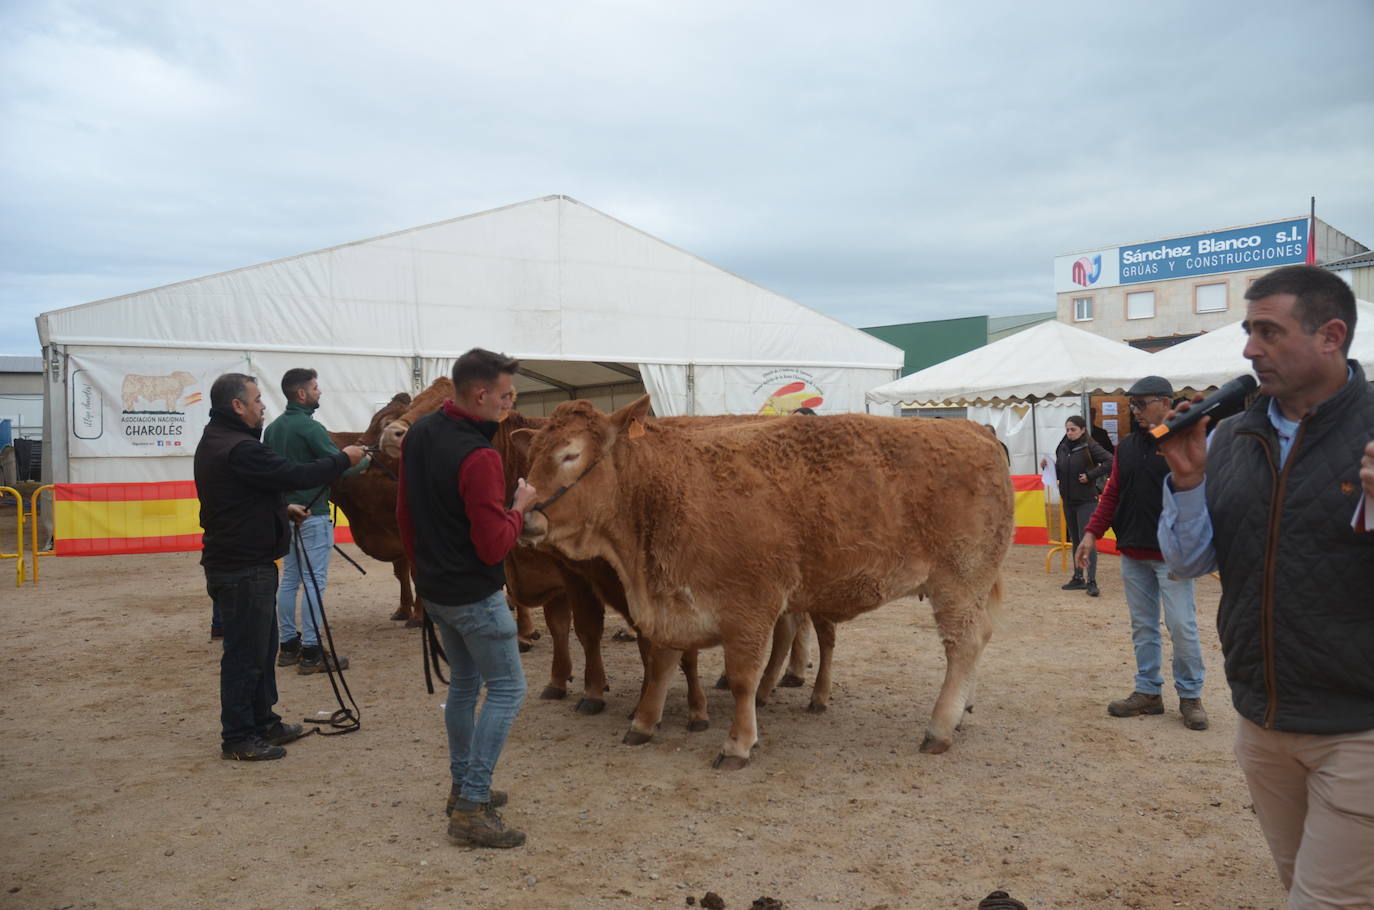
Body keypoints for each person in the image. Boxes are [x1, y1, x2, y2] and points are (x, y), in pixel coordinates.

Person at [1156, 265, 1374, 904]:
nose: (1249, 349)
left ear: (1331, 335)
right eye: (1249, 331)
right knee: (1296, 882)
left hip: (1359, 728)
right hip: (1262, 723)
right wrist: (1190, 481)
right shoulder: (1232, 437)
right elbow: (1190, 563)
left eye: (1268, 331)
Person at [396, 349, 538, 848]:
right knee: (507, 690)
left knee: (463, 685)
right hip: (475, 596)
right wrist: (519, 508)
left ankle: (462, 787)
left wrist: (423, 574)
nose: (508, 404)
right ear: (480, 394)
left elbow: (405, 515)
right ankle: (472, 806)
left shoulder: (420, 435)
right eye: (504, 396)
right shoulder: (481, 457)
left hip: (435, 588)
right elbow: (493, 543)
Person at [195, 373, 365, 761]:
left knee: (262, 648)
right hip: (243, 568)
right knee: (244, 654)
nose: (262, 406)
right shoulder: (239, 447)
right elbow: (293, 474)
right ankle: (238, 737)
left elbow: (249, 491)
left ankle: (263, 721)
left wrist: (280, 508)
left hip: (245, 564)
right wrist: (343, 459)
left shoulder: (223, 441)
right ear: (237, 405)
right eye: (256, 399)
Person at [1075, 375, 1208, 731]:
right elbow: (1114, 492)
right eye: (1132, 404)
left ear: (1166, 402)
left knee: (1182, 626)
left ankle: (1191, 696)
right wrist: (1091, 533)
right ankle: (1148, 692)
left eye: (1142, 403)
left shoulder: (1184, 442)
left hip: (1173, 555)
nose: (1135, 411)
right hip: (1133, 551)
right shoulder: (1129, 447)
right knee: (1143, 627)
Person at [263, 368, 367, 675]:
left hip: (285, 513)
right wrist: (365, 462)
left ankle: (288, 646)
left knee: (291, 578)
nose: (319, 392)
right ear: (301, 394)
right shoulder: (312, 429)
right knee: (314, 582)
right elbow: (337, 469)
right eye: (315, 388)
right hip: (313, 514)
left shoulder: (273, 429)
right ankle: (311, 652)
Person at [1040, 416, 1112, 596]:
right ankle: (1078, 577)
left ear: (1082, 430)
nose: (1069, 433)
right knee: (1075, 539)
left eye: (1073, 429)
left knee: (1087, 541)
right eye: (1067, 430)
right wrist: (1048, 467)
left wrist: (1091, 475)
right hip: (1069, 500)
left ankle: (1092, 581)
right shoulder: (1063, 446)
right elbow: (1062, 470)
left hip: (1086, 500)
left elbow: (1110, 461)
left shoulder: (1090, 445)